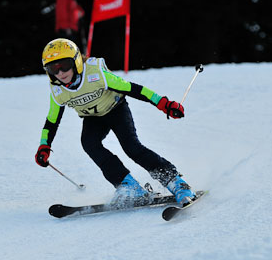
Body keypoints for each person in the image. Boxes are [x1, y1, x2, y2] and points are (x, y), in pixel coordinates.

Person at [35, 38, 196, 208]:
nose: (60, 73)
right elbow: (52, 121)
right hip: (93, 118)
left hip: (116, 109)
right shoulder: (58, 90)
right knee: (89, 143)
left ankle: (176, 181)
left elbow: (132, 89)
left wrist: (163, 103)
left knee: (132, 147)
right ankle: (128, 186)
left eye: (64, 65)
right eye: (53, 68)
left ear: (76, 61)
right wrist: (44, 145)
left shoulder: (95, 74)